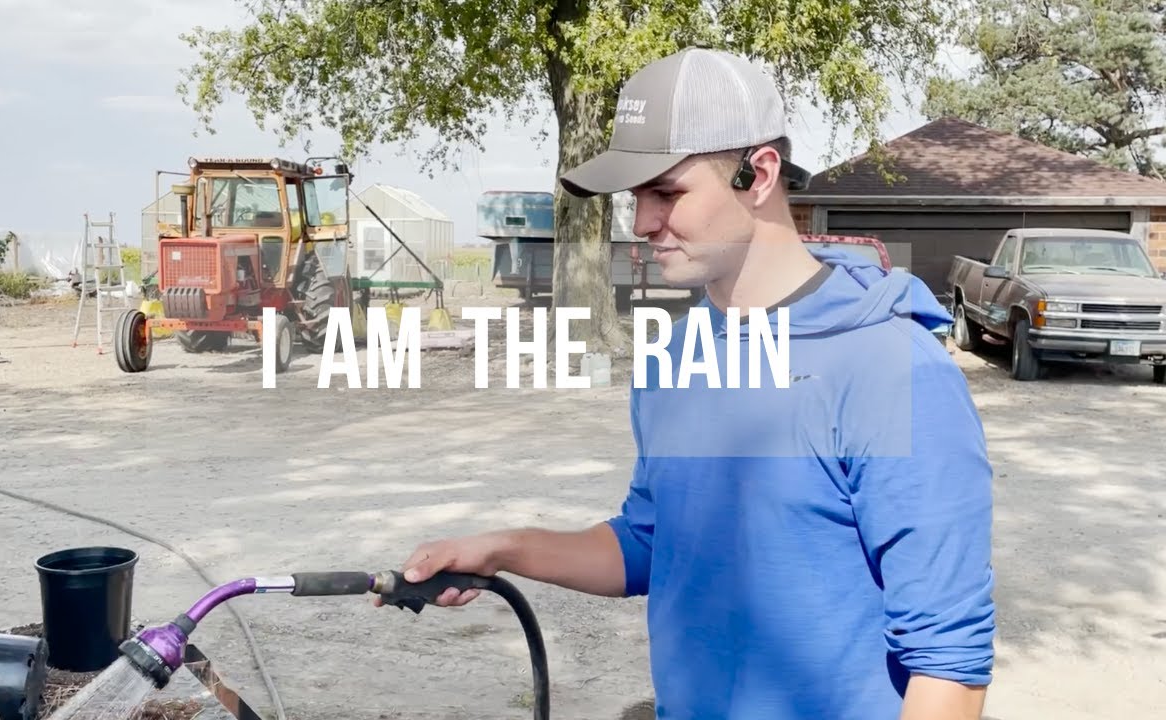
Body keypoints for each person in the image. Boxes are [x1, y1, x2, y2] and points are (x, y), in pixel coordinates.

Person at [379, 47, 996, 720]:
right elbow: (652, 542)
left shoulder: (891, 366)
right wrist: (505, 548)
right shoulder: (675, 354)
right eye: (636, 197)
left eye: (667, 193)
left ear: (759, 174)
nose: (643, 223)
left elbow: (948, 665)